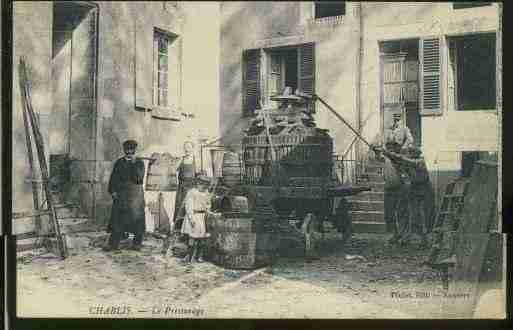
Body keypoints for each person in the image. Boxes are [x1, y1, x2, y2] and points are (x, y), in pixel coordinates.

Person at [380, 145, 431, 247]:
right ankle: (407, 237)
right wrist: (388, 156)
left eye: (410, 153)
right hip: (413, 192)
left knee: (421, 216)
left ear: (415, 154)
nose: (408, 155)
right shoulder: (408, 163)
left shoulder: (420, 161)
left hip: (424, 193)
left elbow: (405, 160)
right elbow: (399, 163)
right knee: (409, 215)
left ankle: (424, 239)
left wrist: (389, 153)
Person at [104, 139, 146, 252]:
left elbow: (139, 179)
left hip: (135, 196)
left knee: (137, 219)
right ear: (124, 150)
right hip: (121, 195)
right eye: (127, 150)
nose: (129, 152)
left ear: (134, 151)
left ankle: (137, 243)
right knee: (117, 220)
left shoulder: (139, 163)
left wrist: (133, 164)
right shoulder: (119, 162)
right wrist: (112, 191)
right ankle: (113, 244)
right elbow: (113, 178)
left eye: (131, 150)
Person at [180, 175, 212, 263]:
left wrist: (208, 212)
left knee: (202, 238)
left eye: (206, 184)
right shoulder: (192, 192)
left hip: (202, 217)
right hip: (194, 216)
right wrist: (191, 219)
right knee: (192, 238)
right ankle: (189, 256)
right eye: (201, 184)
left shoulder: (206, 193)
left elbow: (208, 204)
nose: (203, 186)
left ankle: (199, 256)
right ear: (197, 183)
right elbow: (188, 206)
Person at [172, 141, 197, 232]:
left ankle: (190, 230)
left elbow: (198, 174)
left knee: (190, 208)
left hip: (191, 188)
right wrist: (177, 161)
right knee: (179, 207)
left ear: (192, 149)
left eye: (189, 147)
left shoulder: (195, 160)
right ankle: (178, 230)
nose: (187, 149)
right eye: (185, 147)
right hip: (181, 188)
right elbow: (173, 169)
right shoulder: (181, 159)